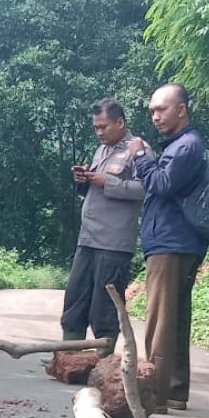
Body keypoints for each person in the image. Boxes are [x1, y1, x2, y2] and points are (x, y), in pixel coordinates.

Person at [128, 84, 209, 412]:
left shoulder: (186, 146)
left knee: (160, 320)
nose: (155, 116)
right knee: (176, 318)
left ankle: (154, 395)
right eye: (152, 110)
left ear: (181, 109)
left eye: (162, 109)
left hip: (171, 242)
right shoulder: (183, 145)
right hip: (178, 241)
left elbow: (161, 185)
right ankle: (175, 390)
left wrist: (140, 155)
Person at [62, 97, 146, 356]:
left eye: (104, 126)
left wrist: (106, 182)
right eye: (96, 127)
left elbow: (146, 188)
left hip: (113, 242)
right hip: (88, 237)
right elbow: (95, 185)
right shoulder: (102, 150)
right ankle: (68, 354)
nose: (99, 132)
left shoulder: (138, 149)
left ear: (120, 122)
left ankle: (103, 360)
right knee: (76, 297)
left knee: (105, 306)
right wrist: (84, 179)